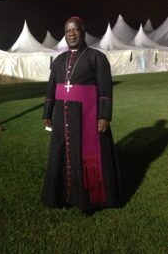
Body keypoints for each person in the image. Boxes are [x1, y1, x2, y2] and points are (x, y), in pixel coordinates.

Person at [42, 17, 119, 213]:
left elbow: (105, 90)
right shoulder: (59, 60)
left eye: (75, 30)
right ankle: (61, 196)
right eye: (68, 31)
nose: (72, 34)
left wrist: (104, 116)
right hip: (62, 117)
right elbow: (51, 89)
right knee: (61, 155)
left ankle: (90, 199)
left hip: (86, 117)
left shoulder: (96, 57)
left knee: (86, 156)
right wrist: (47, 112)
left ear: (83, 32)